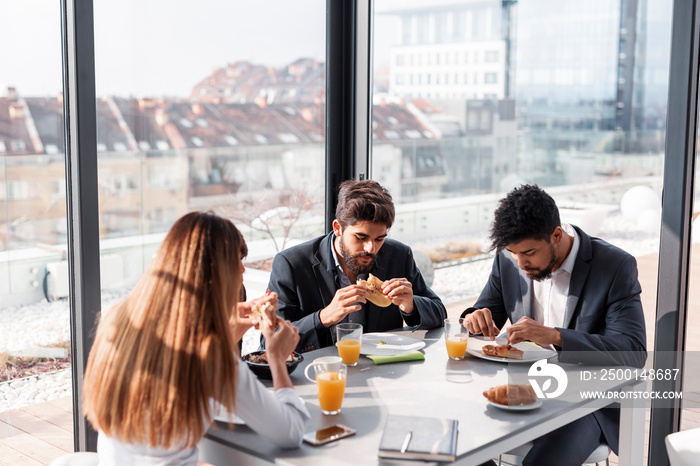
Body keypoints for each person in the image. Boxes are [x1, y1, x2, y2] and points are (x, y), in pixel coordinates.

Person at [83, 212, 309, 465]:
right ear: (216, 274)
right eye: (237, 260)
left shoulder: (119, 320)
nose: (244, 268)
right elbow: (290, 432)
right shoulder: (210, 356)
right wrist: (276, 359)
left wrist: (223, 325)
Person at [462, 185, 646, 466]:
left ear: (556, 235)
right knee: (460, 448)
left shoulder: (615, 266)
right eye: (513, 253)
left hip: (587, 403)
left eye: (529, 253)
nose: (521, 263)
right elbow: (484, 314)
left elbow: (632, 351)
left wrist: (556, 336)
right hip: (522, 390)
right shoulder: (508, 261)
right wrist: (474, 317)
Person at [268, 179, 447, 353]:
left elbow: (440, 313)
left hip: (385, 373)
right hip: (320, 374)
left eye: (379, 239)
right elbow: (270, 342)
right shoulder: (291, 264)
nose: (371, 248)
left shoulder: (399, 255)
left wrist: (411, 305)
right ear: (338, 228)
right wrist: (323, 317)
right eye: (361, 237)